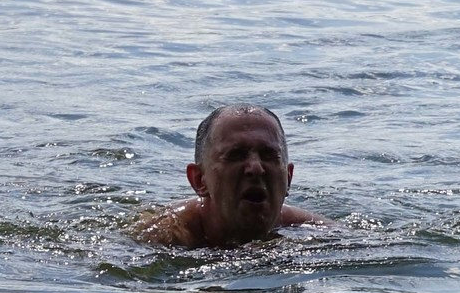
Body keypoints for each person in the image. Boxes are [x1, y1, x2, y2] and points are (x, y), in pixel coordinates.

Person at [134, 105, 322, 248]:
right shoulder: (162, 237)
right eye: (236, 155)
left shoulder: (314, 231)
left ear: (288, 178)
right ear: (199, 180)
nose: (256, 168)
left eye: (269, 155)